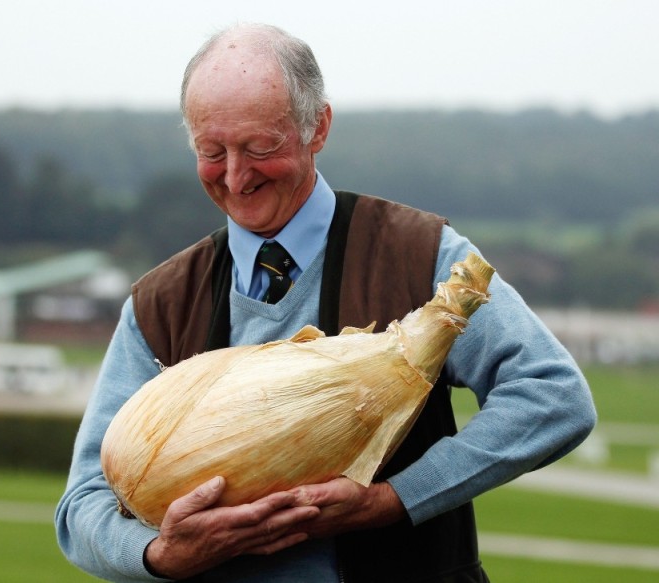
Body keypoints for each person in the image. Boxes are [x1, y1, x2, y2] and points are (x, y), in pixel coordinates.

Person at [56, 23, 596, 582]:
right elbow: (83, 507)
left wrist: (392, 500)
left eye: (260, 147)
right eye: (211, 151)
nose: (236, 177)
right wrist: (161, 555)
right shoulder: (161, 303)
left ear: (319, 127)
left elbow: (553, 397)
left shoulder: (421, 256)